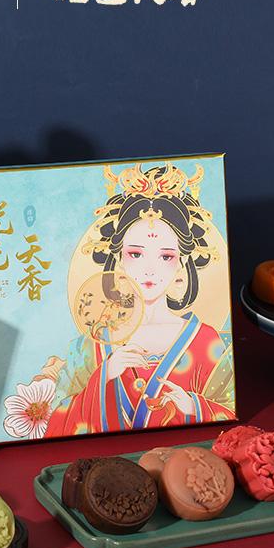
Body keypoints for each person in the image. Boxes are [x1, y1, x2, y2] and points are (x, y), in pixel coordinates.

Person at [44, 162, 235, 436]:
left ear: (182, 264)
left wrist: (194, 405)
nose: (150, 269)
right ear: (119, 260)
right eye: (135, 254)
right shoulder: (92, 345)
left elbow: (230, 414)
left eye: (166, 256)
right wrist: (105, 375)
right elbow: (54, 421)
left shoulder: (206, 342)